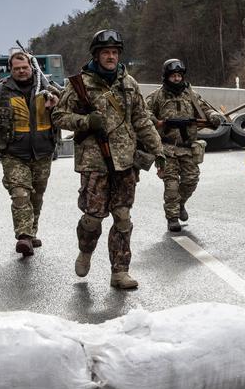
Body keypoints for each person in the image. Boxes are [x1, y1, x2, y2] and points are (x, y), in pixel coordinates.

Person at [52, 29, 164, 289]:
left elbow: (142, 119)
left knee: (123, 217)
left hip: (125, 161)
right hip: (94, 162)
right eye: (106, 53)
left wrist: (158, 151)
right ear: (97, 55)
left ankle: (119, 272)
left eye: (115, 52)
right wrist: (85, 121)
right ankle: (86, 250)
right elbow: (58, 116)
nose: (111, 57)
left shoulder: (129, 83)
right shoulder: (80, 84)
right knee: (92, 218)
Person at [0, 51, 60, 257]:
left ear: (31, 67)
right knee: (20, 194)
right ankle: (23, 236)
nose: (21, 71)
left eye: (24, 68)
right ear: (11, 70)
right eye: (16, 69)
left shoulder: (46, 89)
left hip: (43, 152)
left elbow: (69, 102)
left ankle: (31, 231)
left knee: (36, 196)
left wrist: (57, 101)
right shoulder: (0, 92)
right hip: (13, 153)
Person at [146, 59, 222, 232]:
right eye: (173, 75)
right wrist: (157, 122)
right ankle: (172, 217)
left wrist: (214, 116)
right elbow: (144, 112)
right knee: (171, 185)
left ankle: (181, 204)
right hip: (167, 149)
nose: (177, 78)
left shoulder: (191, 94)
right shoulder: (157, 96)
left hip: (188, 147)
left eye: (179, 75)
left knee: (191, 180)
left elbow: (204, 108)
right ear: (167, 77)